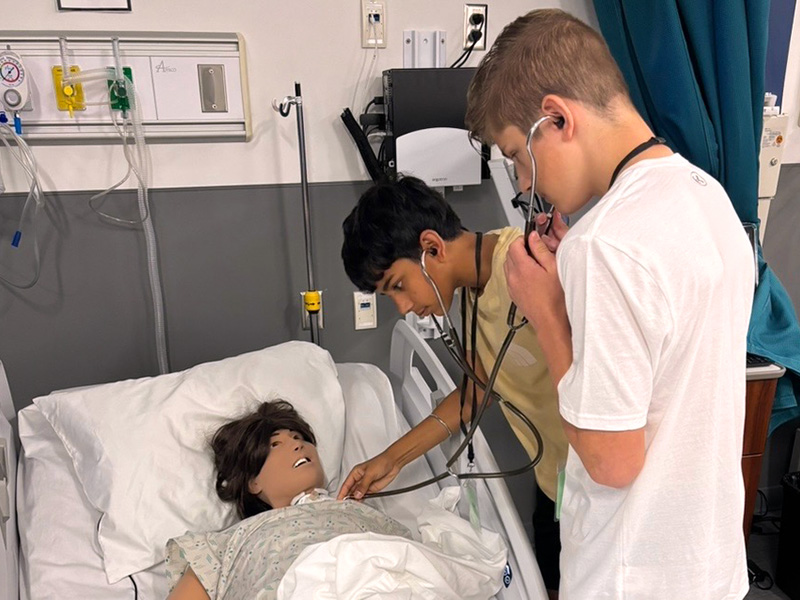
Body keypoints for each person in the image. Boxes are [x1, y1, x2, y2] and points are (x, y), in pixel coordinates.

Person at [464, 8, 754, 599]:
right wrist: (577, 289)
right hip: (707, 564)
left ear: (557, 119)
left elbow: (611, 461)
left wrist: (546, 309)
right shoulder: (705, 194)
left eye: (519, 155)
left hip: (630, 577)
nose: (524, 185)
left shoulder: (606, 246)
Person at [338, 174, 569, 597]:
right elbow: (474, 390)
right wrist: (390, 460)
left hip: (599, 484)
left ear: (432, 247)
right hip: (556, 485)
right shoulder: (470, 297)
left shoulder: (531, 269)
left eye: (398, 286)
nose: (404, 307)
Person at [165, 400, 410, 600]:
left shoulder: (365, 515)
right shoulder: (231, 541)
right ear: (253, 482)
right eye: (276, 444)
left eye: (298, 437)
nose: (297, 445)